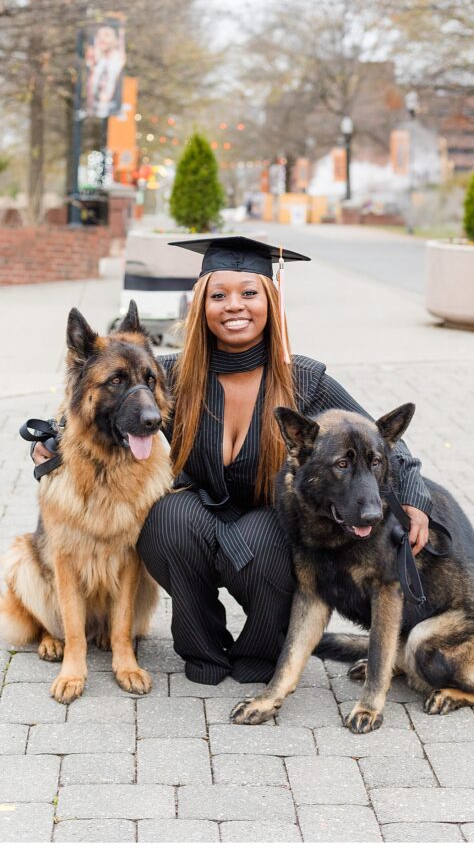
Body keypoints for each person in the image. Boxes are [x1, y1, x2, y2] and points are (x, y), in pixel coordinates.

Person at [32, 236, 432, 686]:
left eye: (249, 293)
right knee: (166, 520)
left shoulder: (305, 379)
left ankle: (261, 651)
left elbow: (381, 445)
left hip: (267, 520)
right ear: (202, 304)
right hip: (202, 513)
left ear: (270, 302)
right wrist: (47, 441)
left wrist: (415, 503)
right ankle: (202, 649)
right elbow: (99, 394)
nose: (233, 306)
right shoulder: (173, 373)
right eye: (219, 295)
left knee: (267, 541)